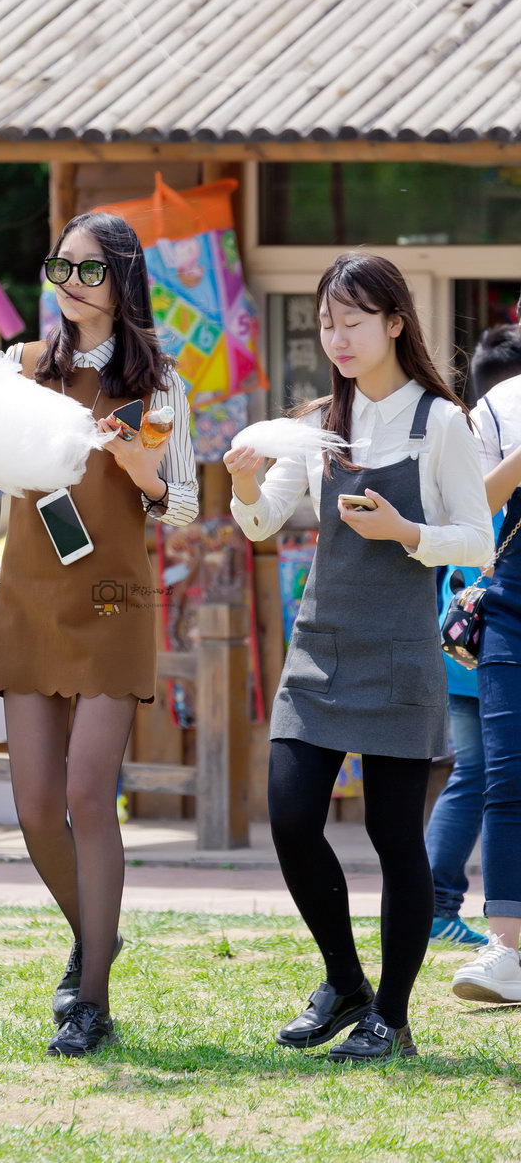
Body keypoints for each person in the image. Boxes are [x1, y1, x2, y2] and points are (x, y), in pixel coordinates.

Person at [225, 253, 493, 1061]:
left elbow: (476, 541)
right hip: (320, 648)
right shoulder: (314, 424)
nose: (336, 337)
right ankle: (346, 981)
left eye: (352, 321)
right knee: (293, 815)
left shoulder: (440, 423)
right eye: (326, 323)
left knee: (391, 834)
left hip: (400, 654)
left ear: (394, 323)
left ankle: (395, 1016)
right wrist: (242, 483)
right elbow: (263, 521)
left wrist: (406, 533)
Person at [0, 212, 198, 1057]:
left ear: (123, 280)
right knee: (32, 806)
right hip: (28, 593)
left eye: (89, 270)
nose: (70, 283)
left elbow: (189, 505)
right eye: (62, 267)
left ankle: (89, 1000)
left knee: (89, 793)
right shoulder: (21, 366)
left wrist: (141, 473)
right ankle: (98, 938)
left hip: (114, 600)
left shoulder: (159, 381)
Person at [426, 325, 521, 948]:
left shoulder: (482, 417)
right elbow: (466, 522)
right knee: (484, 775)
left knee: (478, 772)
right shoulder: (491, 423)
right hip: (487, 638)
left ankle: (437, 901)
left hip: (470, 634)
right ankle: (438, 901)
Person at [450, 351, 521, 1004]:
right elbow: (475, 510)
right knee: (506, 774)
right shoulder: (501, 404)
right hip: (514, 604)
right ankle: (509, 948)